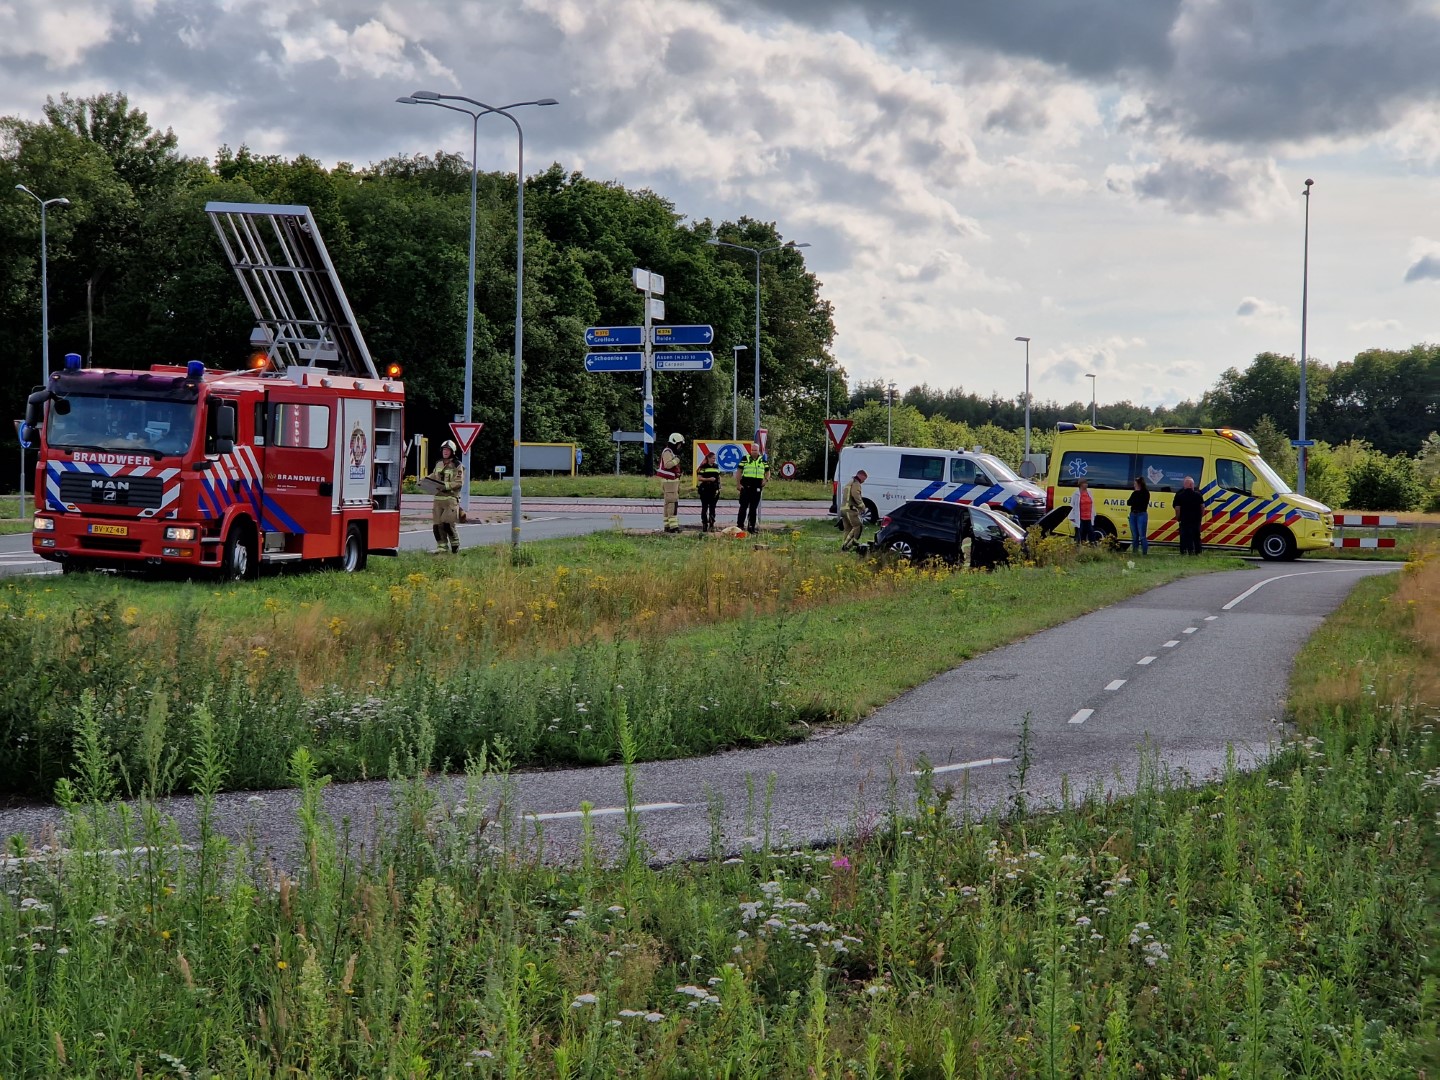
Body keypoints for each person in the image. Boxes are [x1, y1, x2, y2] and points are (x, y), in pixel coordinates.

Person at [428, 440, 464, 554]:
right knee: (437, 525)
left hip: (450, 499)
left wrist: (445, 486)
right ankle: (442, 548)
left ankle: (455, 544)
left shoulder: (457, 465)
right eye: (444, 449)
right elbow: (434, 476)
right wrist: (425, 481)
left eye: (448, 450)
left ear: (452, 452)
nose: (445, 452)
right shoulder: (438, 464)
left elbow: (459, 482)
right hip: (438, 499)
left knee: (447, 524)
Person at [656, 432, 685, 532]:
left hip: (671, 482)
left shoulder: (670, 452)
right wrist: (677, 460)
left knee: (668, 503)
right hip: (669, 482)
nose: (680, 447)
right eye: (679, 444)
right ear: (675, 443)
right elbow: (668, 465)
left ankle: (668, 526)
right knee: (672, 503)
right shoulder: (667, 452)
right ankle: (673, 527)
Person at [736, 445, 768, 533]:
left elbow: (768, 471)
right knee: (743, 506)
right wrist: (738, 484)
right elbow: (739, 471)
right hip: (746, 486)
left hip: (757, 486)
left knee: (753, 508)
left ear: (758, 450)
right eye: (752, 450)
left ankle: (751, 527)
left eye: (756, 450)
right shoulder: (745, 458)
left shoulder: (762, 460)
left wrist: (766, 480)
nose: (754, 452)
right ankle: (740, 526)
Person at [1174, 475, 1204, 555]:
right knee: (1196, 536)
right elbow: (1202, 507)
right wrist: (1200, 516)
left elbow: (1177, 508)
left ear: (1185, 485)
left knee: (1184, 536)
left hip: (1184, 519)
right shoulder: (1198, 495)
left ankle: (1184, 552)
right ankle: (1198, 552)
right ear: (1191, 485)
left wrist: (1178, 518)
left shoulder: (1180, 495)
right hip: (1196, 520)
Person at [840, 469, 868, 551]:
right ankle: (849, 545)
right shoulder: (856, 483)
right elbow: (856, 495)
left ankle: (844, 547)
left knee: (847, 529)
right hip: (850, 509)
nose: (863, 481)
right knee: (858, 526)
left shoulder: (850, 482)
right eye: (864, 479)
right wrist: (862, 506)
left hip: (844, 509)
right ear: (861, 476)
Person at [696, 450, 721, 532]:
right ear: (709, 458)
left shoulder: (716, 467)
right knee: (704, 507)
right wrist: (708, 479)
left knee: (712, 507)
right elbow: (699, 478)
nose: (714, 460)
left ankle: (711, 523)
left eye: (715, 458)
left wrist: (720, 485)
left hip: (714, 489)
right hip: (705, 489)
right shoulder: (703, 467)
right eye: (713, 458)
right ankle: (704, 523)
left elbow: (718, 477)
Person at [1128, 476, 1150, 555]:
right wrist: (1135, 494)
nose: (1134, 485)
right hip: (1133, 514)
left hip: (1141, 515)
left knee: (1142, 535)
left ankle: (1144, 553)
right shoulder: (1134, 493)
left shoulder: (1145, 493)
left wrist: (1136, 494)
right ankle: (1135, 552)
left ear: (1139, 484)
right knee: (1134, 536)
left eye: (1135, 484)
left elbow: (1141, 503)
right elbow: (1128, 502)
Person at [1069, 478, 1096, 545]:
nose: (1086, 484)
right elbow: (1072, 505)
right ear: (1081, 484)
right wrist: (1073, 516)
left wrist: (1094, 513)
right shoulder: (1076, 493)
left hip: (1089, 517)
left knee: (1091, 532)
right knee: (1079, 533)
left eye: (1086, 483)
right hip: (1080, 517)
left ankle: (1092, 546)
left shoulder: (1089, 492)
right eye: (1085, 483)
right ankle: (1078, 546)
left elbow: (1092, 503)